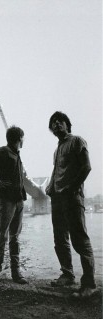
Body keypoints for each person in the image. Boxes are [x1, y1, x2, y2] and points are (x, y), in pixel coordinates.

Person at [0, 125, 45, 286]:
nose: (24, 141)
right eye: (23, 138)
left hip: (18, 200)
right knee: (2, 237)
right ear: (19, 139)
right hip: (6, 200)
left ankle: (16, 274)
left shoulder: (17, 155)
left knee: (14, 238)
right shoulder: (2, 152)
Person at [45, 111, 97, 298]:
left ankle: (89, 284)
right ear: (51, 128)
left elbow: (86, 167)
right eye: (54, 122)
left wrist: (70, 187)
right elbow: (57, 171)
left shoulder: (77, 141)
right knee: (60, 238)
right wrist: (51, 186)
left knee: (79, 239)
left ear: (68, 124)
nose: (57, 124)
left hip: (72, 197)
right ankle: (67, 274)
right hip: (57, 198)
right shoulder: (57, 149)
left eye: (61, 121)